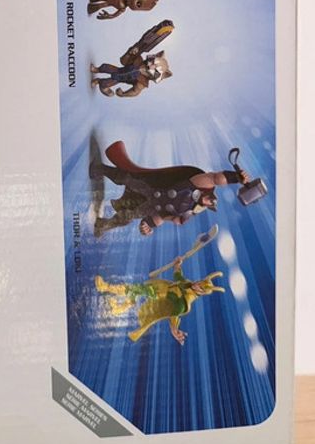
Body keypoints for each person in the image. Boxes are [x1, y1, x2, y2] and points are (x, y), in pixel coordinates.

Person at [90, 140, 250, 237]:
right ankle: (99, 168)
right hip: (152, 187)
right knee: (127, 178)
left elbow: (167, 218)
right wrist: (236, 178)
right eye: (212, 199)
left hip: (152, 206)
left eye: (211, 204)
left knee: (128, 216)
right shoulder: (198, 184)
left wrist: (148, 225)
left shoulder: (188, 211)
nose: (210, 202)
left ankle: (103, 225)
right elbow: (215, 178)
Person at [94, 258, 225, 345]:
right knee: (134, 291)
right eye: (200, 282)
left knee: (133, 289)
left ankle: (105, 287)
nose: (197, 284)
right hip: (157, 287)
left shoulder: (185, 302)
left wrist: (174, 329)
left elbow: (174, 314)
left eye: (200, 287)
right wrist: (177, 264)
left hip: (156, 297)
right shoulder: (187, 283)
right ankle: (118, 309)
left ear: (201, 292)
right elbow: (178, 276)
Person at [87, 0, 159, 19]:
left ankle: (92, 8)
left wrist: (107, 16)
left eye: (138, 4)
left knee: (102, 5)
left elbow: (114, 15)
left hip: (107, 4)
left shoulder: (122, 8)